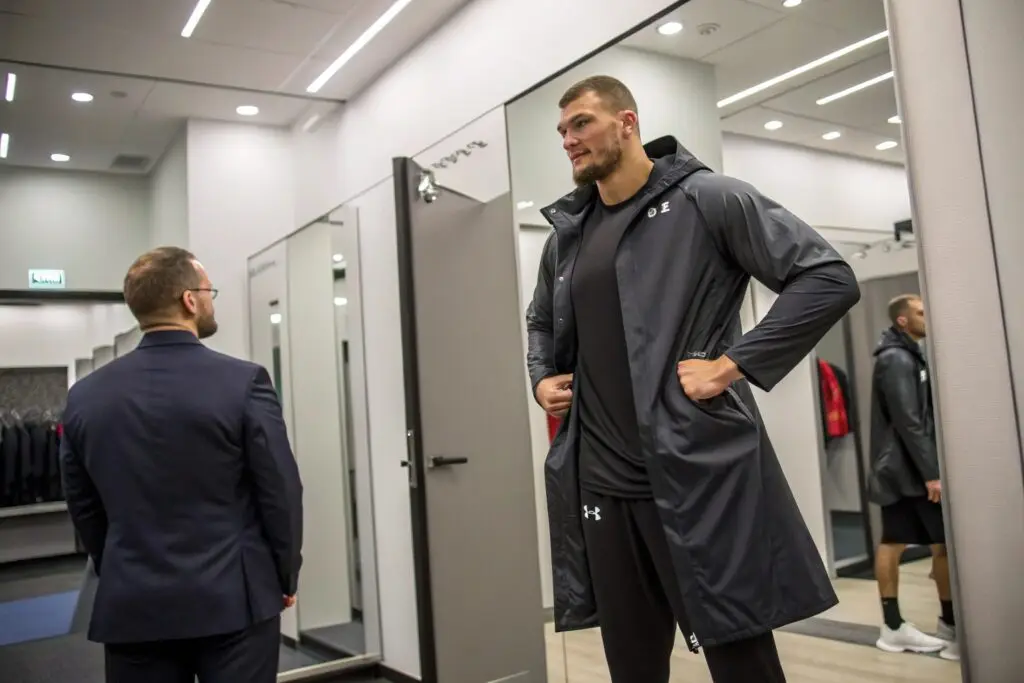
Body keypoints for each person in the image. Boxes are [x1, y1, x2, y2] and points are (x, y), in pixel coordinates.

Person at [525, 75, 861, 683]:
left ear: (627, 122)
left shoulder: (709, 198)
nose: (569, 140)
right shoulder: (569, 234)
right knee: (631, 662)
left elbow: (827, 279)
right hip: (601, 480)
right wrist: (542, 378)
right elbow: (541, 324)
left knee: (740, 657)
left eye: (582, 124)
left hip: (693, 470)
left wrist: (732, 364)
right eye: (563, 131)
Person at [60, 247, 304, 683]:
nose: (211, 300)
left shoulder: (85, 396)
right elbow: (280, 490)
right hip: (235, 598)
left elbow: (83, 504)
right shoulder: (244, 382)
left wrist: (119, 564)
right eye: (208, 290)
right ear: (189, 301)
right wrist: (284, 575)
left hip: (133, 604)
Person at [867, 294, 958, 660]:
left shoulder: (908, 354)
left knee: (934, 544)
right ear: (902, 321)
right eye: (920, 312)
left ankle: (947, 624)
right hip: (904, 471)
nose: (927, 316)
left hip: (908, 468)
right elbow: (909, 421)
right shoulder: (895, 359)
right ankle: (896, 626)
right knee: (910, 543)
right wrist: (932, 473)